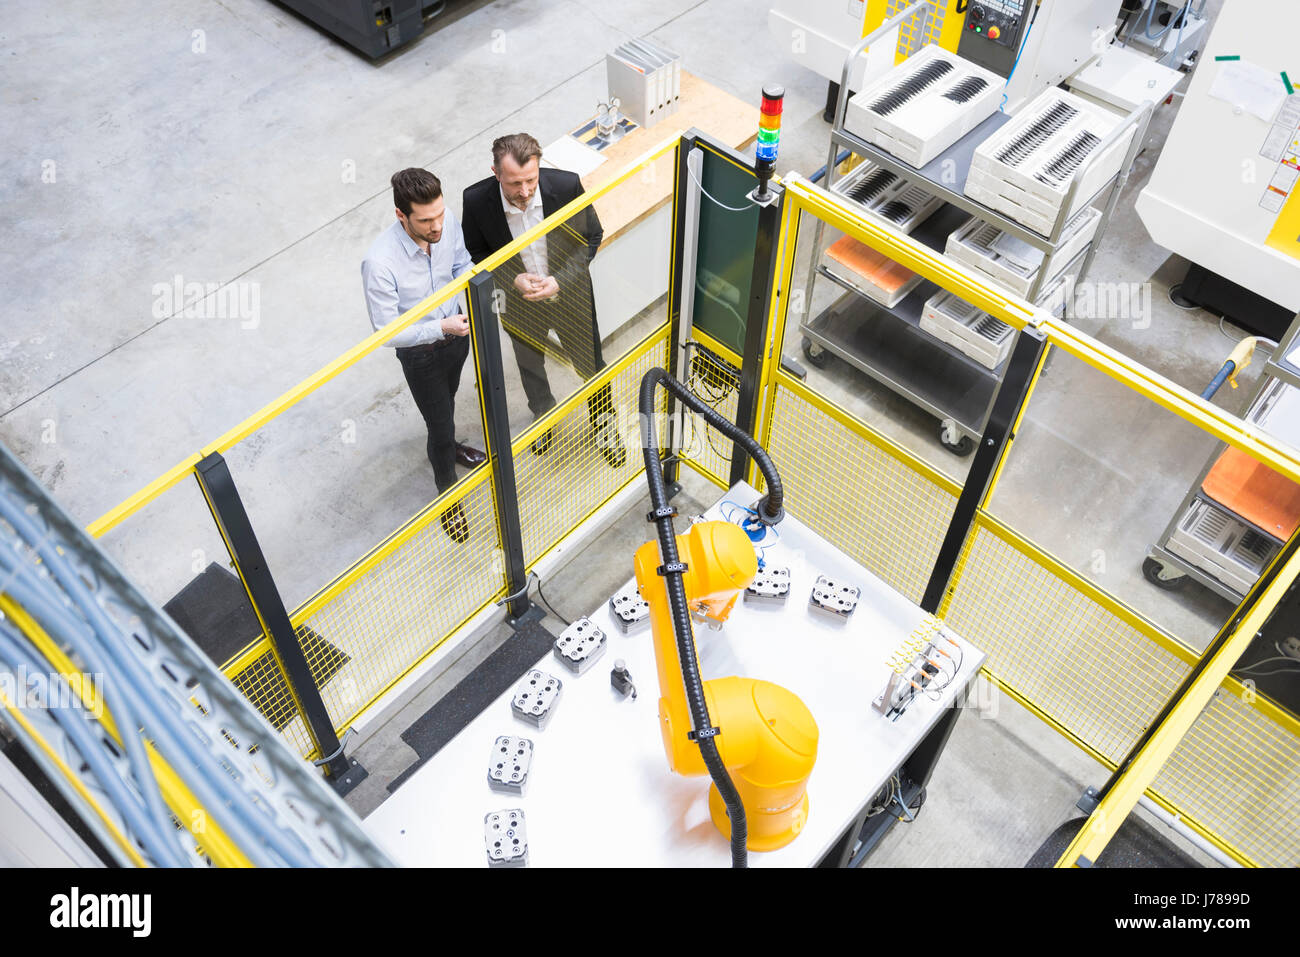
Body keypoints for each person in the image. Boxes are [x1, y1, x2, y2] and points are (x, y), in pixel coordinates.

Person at [461, 133, 626, 468]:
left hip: (569, 296)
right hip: (518, 304)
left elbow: (591, 236)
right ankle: (544, 415)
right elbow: (475, 252)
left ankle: (605, 424)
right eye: (514, 183)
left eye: (531, 181)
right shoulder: (476, 201)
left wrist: (558, 281)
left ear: (540, 169)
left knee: (590, 364)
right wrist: (511, 278)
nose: (524, 192)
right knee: (529, 365)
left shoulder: (565, 187)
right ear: (496, 173)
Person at [361, 168, 486, 543]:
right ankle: (447, 494)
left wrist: (461, 311)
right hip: (421, 354)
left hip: (457, 336)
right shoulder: (380, 263)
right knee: (439, 425)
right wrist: (441, 328)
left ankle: (449, 446)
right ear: (401, 215)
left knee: (446, 405)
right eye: (425, 220)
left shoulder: (448, 224)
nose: (437, 226)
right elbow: (387, 332)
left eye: (440, 215)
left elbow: (462, 264)